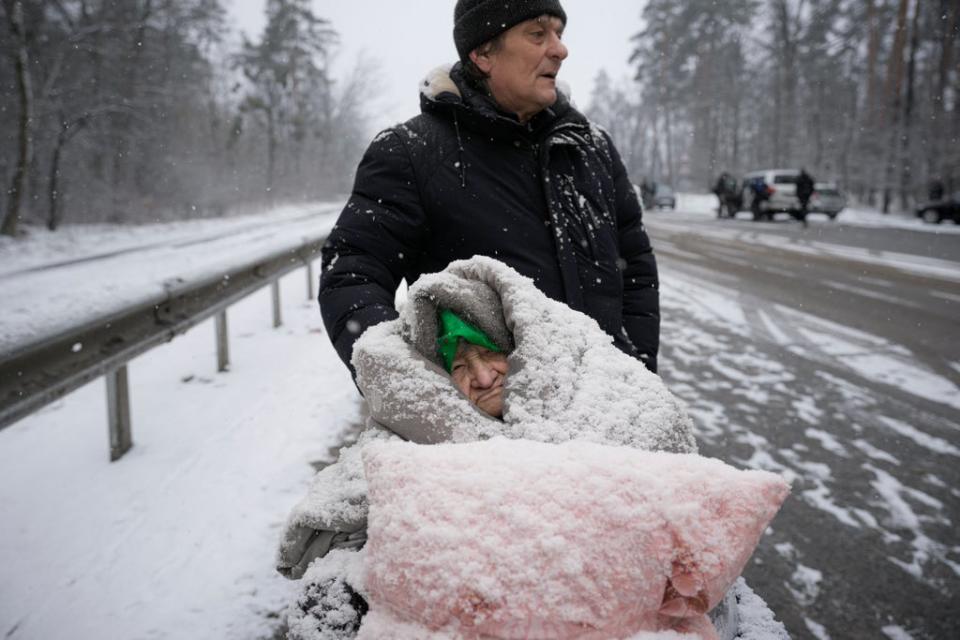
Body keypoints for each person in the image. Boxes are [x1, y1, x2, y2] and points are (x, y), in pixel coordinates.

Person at [318, 0, 661, 380]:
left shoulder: (591, 149)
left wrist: (637, 372)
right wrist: (423, 390)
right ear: (483, 53)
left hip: (605, 412)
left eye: (559, 34)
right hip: (490, 429)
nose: (560, 49)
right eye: (538, 33)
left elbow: (636, 272)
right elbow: (352, 276)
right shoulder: (410, 152)